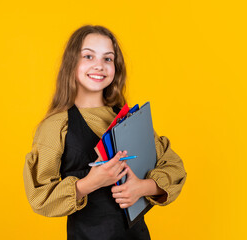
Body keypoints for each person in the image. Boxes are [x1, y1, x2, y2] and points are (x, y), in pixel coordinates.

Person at [23, 25, 187, 240]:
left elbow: (174, 166)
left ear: (116, 67)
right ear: (71, 63)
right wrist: (90, 183)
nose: (99, 66)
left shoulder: (130, 119)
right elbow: (40, 196)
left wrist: (142, 187)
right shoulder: (56, 125)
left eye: (107, 59)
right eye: (88, 56)